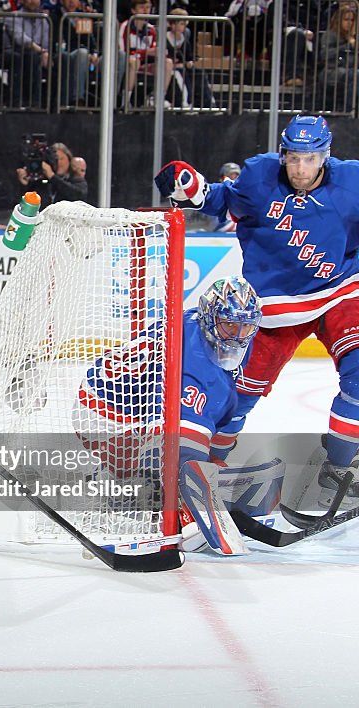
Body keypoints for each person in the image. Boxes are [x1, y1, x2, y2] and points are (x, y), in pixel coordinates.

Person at [155, 114, 359, 511]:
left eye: (310, 159)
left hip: (341, 293)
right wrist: (192, 190)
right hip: (277, 308)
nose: (301, 168)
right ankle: (202, 474)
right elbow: (220, 201)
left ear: (326, 157)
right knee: (237, 397)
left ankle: (338, 468)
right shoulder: (258, 176)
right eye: (294, 158)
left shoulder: (352, 181)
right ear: (283, 154)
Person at [73, 277, 268, 554]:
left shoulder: (211, 335)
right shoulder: (192, 359)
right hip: (103, 412)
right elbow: (181, 447)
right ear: (211, 318)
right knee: (163, 462)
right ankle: (107, 490)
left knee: (180, 458)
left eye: (245, 326)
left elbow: (224, 412)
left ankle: (126, 483)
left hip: (133, 403)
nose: (237, 334)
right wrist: (192, 506)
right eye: (230, 325)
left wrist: (211, 469)